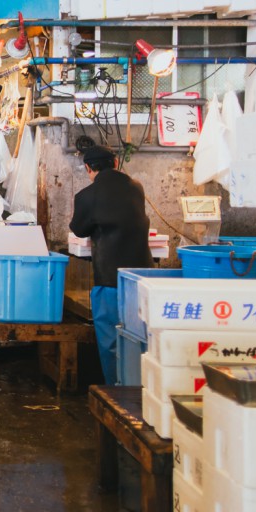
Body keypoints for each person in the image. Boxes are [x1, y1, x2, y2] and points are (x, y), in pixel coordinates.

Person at [69, 145, 153, 385]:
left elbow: (78, 228)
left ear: (88, 168)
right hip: (143, 280)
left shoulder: (87, 196)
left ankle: (118, 394)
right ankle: (144, 389)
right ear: (115, 163)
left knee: (111, 343)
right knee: (141, 340)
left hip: (110, 281)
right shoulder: (136, 188)